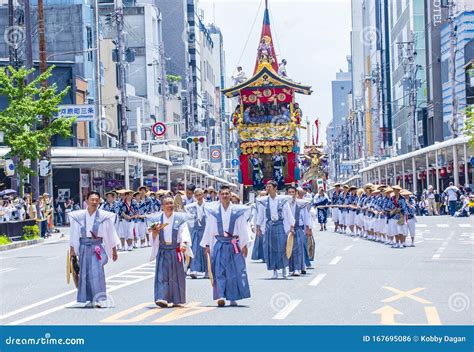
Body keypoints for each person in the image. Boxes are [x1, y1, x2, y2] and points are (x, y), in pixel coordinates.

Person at [201, 185, 251, 307]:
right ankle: (221, 295)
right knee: (218, 271)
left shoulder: (237, 212)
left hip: (233, 244)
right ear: (219, 195)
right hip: (219, 244)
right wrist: (207, 244)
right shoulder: (213, 212)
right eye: (222, 194)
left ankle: (233, 297)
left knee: (234, 271)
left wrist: (244, 244)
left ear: (230, 195)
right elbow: (209, 229)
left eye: (227, 193)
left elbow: (242, 228)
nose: (225, 196)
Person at [68, 191, 119, 307]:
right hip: (84, 246)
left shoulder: (103, 217)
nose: (94, 202)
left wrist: (113, 250)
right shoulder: (78, 217)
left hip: (96, 247)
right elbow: (74, 234)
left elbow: (110, 233)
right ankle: (88, 299)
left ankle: (97, 299)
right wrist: (72, 250)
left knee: (97, 273)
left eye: (97, 200)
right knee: (84, 273)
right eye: (92, 199)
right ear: (86, 201)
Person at [147, 195, 192, 308]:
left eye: (171, 203)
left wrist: (183, 243)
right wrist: (154, 233)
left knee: (176, 276)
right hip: (163, 250)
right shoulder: (157, 219)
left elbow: (184, 232)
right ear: (162, 206)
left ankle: (177, 299)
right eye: (167, 203)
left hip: (175, 250)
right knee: (162, 275)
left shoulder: (180, 219)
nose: (169, 206)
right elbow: (151, 235)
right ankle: (162, 297)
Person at [256, 180, 295, 279]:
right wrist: (258, 226)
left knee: (282, 248)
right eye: (267, 186)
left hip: (280, 225)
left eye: (269, 186)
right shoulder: (263, 201)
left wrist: (292, 225)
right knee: (270, 249)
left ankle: (284, 269)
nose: (267, 188)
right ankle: (274, 271)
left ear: (275, 188)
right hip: (269, 226)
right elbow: (260, 215)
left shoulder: (282, 200)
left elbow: (288, 213)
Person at [287, 186, 312, 276]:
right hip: (289, 229)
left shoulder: (301, 204)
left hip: (299, 228)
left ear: (296, 193)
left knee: (298, 248)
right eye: (289, 192)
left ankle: (298, 268)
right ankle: (292, 268)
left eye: (293, 192)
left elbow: (305, 216)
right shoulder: (285, 204)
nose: (291, 194)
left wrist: (308, 228)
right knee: (290, 249)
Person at [185, 188, 208, 279]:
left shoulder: (209, 206)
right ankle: (194, 270)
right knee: (194, 250)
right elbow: (184, 212)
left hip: (206, 230)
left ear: (203, 195)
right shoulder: (191, 207)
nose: (199, 197)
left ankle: (207, 271)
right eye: (197, 195)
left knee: (206, 251)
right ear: (194, 196)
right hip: (196, 230)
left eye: (200, 195)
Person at [251, 190, 266, 262]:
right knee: (261, 241)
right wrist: (254, 225)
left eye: (264, 195)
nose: (263, 197)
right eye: (261, 195)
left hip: (268, 224)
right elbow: (255, 215)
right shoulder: (256, 205)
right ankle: (263, 256)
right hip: (260, 224)